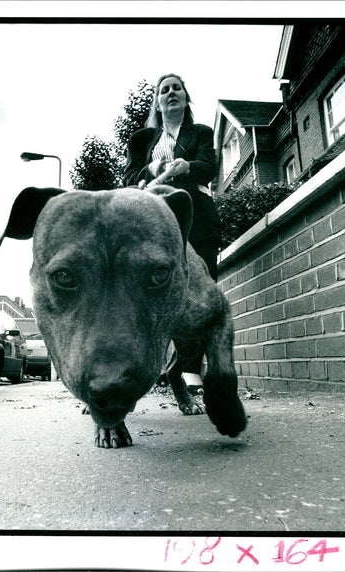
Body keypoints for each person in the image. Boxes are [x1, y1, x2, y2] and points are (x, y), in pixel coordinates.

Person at [123, 73, 221, 396]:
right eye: (164, 90)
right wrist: (151, 170)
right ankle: (150, 369)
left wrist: (187, 166)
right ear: (158, 101)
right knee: (158, 295)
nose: (171, 93)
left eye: (176, 88)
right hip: (156, 228)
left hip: (199, 224)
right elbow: (128, 178)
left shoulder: (202, 133)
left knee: (199, 294)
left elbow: (209, 166)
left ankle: (190, 368)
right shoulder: (142, 141)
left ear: (185, 96)